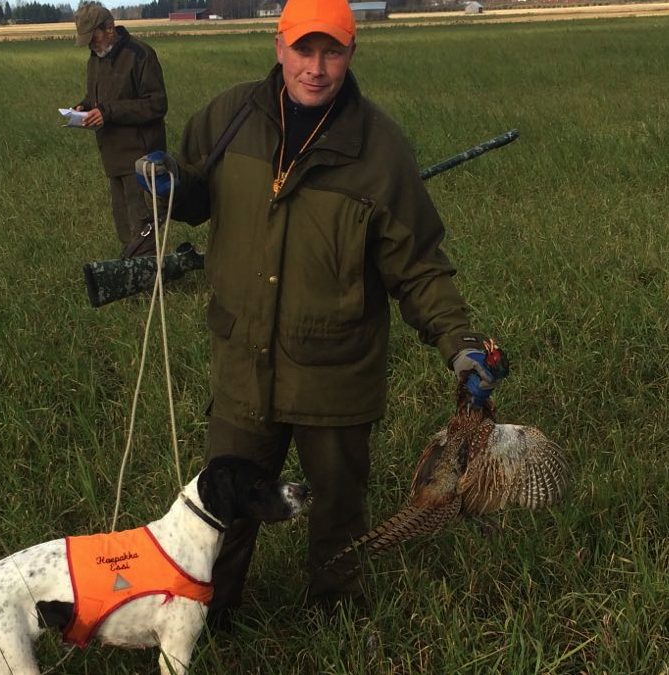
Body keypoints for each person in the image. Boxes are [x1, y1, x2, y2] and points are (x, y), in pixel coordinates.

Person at [134, 0, 508, 620]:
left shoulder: (381, 150)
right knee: (220, 510)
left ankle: (334, 620)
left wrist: (460, 342)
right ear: (278, 48)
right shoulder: (227, 119)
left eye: (331, 51)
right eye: (303, 50)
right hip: (241, 366)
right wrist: (170, 181)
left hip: (335, 377)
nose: (316, 67)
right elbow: (198, 193)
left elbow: (418, 265)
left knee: (337, 510)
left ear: (351, 53)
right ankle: (208, 619)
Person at [73, 3, 168, 257]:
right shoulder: (95, 59)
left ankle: (150, 283)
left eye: (93, 37)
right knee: (124, 226)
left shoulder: (141, 55)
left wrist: (108, 111)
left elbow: (157, 105)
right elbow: (100, 97)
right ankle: (133, 280)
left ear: (110, 28)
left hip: (140, 158)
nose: (90, 45)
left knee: (143, 227)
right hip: (112, 158)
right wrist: (84, 107)